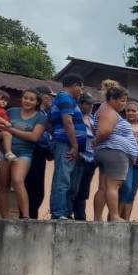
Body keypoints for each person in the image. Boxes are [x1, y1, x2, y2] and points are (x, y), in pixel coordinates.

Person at [92, 85, 138, 223]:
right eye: (122, 101)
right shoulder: (109, 112)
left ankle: (97, 218)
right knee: (113, 186)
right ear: (112, 99)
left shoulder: (104, 110)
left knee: (103, 187)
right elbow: (105, 131)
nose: (124, 104)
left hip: (108, 152)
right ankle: (114, 216)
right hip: (115, 153)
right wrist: (95, 142)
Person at [1, 90, 47, 219]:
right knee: (3, 185)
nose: (27, 101)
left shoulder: (41, 117)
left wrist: (11, 129)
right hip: (6, 151)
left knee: (18, 180)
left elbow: (34, 137)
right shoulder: (11, 112)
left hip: (24, 152)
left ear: (37, 102)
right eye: (25, 98)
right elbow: (0, 127)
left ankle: (26, 217)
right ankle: (5, 218)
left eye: (31, 99)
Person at [49, 74, 86, 221]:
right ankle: (58, 213)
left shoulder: (67, 99)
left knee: (68, 180)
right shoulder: (65, 97)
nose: (81, 91)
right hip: (66, 144)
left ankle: (65, 212)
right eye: (81, 88)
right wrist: (75, 145)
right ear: (75, 85)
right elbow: (67, 121)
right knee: (62, 178)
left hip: (67, 143)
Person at [25, 87, 53, 219]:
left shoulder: (46, 114)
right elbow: (39, 137)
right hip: (32, 150)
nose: (51, 100)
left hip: (42, 153)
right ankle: (27, 216)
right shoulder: (36, 114)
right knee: (31, 187)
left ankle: (32, 216)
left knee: (38, 191)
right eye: (49, 96)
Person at [70, 93, 97, 221]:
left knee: (84, 189)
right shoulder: (75, 116)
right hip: (79, 156)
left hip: (91, 158)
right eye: (87, 104)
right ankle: (68, 212)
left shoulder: (92, 119)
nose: (90, 106)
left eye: (92, 104)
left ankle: (80, 216)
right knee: (73, 187)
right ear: (80, 104)